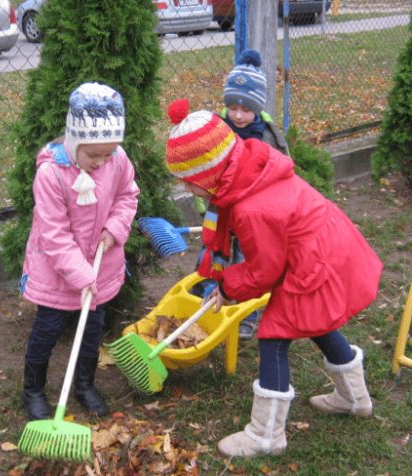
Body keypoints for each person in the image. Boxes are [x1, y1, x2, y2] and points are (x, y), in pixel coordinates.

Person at [164, 98, 383, 458]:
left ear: (210, 173)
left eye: (189, 182)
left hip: (311, 263)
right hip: (320, 248)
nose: (187, 190)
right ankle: (354, 399)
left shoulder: (252, 209)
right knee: (315, 321)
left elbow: (263, 271)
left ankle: (266, 436)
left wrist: (227, 287)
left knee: (274, 339)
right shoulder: (251, 170)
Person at [19, 82, 140, 421]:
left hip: (101, 265)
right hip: (57, 272)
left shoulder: (116, 160)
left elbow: (127, 196)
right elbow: (54, 235)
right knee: (48, 329)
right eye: (93, 155)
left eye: (108, 153)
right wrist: (81, 274)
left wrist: (115, 229)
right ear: (74, 141)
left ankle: (85, 385)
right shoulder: (51, 174)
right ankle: (33, 390)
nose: (102, 162)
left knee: (91, 328)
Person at [194, 48, 290, 340]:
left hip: (250, 215)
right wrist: (205, 203)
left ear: (258, 108)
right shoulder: (215, 129)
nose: (238, 115)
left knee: (246, 261)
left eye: (246, 109)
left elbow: (276, 179)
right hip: (218, 212)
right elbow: (202, 169)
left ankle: (246, 314)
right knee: (211, 254)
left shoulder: (268, 138)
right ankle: (203, 302)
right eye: (232, 107)